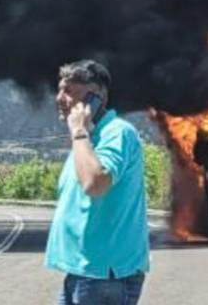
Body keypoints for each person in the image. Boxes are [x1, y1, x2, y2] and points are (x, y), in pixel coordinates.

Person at [45, 60, 150, 305]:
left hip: (105, 276)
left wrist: (79, 132)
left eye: (69, 91)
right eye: (59, 89)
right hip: (84, 272)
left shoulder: (117, 132)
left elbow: (95, 184)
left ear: (97, 96)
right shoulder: (89, 139)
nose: (60, 98)